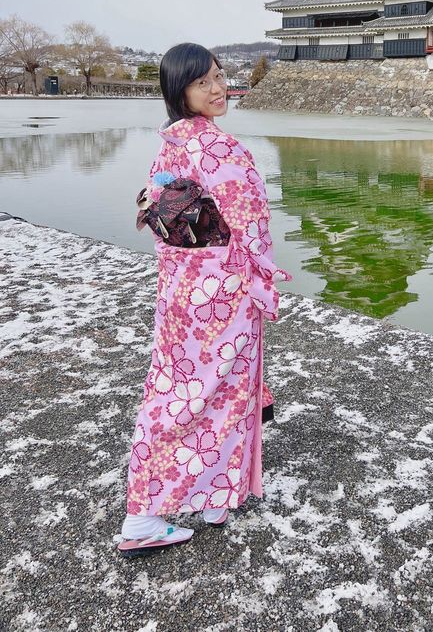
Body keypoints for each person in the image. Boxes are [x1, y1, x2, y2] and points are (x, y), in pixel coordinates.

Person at [118, 43, 290, 557]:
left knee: (190, 388)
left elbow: (154, 214)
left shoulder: (171, 143)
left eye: (218, 76)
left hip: (181, 289)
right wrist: (261, 278)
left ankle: (216, 492)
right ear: (180, 91)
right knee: (196, 396)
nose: (217, 89)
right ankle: (143, 517)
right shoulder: (216, 147)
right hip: (223, 290)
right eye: (202, 82)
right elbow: (249, 223)